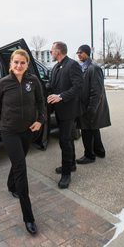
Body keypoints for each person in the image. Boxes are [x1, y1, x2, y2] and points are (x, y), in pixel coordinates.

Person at [0, 49, 45, 235]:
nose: (19, 66)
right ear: (10, 63)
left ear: (27, 64)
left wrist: (40, 120)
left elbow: (41, 103)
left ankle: (11, 185)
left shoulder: (33, 81)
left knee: (18, 162)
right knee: (21, 168)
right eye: (16, 62)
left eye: (23, 63)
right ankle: (29, 217)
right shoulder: (3, 83)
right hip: (9, 131)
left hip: (27, 131)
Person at [47, 41, 83, 189]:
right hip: (59, 110)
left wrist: (61, 96)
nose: (51, 53)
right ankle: (71, 164)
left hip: (68, 110)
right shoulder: (56, 66)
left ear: (58, 51)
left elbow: (78, 87)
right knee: (67, 139)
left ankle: (66, 174)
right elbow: (52, 84)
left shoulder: (72, 65)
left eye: (52, 51)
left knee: (64, 141)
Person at [74, 45, 111, 165]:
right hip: (89, 105)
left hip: (91, 106)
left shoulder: (93, 68)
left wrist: (91, 108)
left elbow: (97, 91)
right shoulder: (84, 67)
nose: (79, 54)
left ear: (87, 53)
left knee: (86, 130)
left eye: (81, 52)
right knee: (94, 128)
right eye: (77, 52)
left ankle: (89, 155)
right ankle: (100, 151)